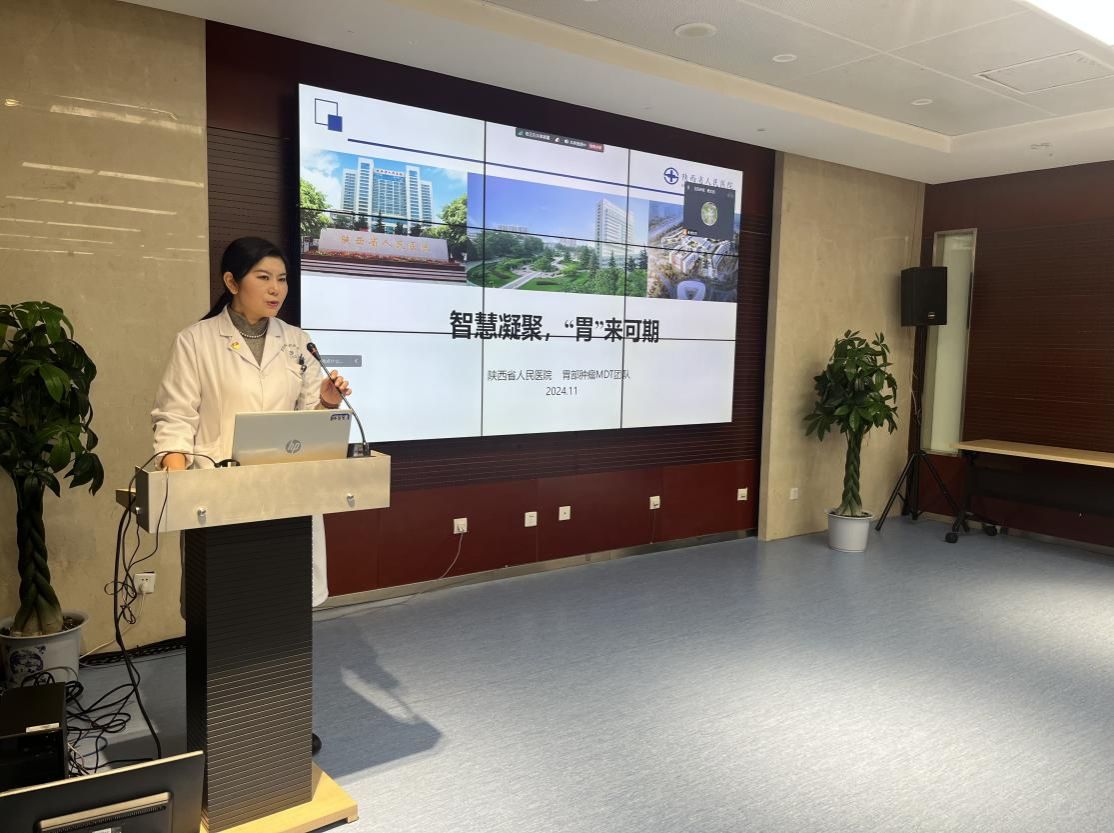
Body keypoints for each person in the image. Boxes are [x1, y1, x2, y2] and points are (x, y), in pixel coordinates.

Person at [151, 236, 350, 756]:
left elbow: (308, 426)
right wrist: (179, 483)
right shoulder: (196, 341)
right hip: (221, 497)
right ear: (231, 282)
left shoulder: (297, 342)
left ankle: (280, 725)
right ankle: (227, 733)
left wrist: (327, 402)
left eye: (282, 278)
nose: (276, 288)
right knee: (229, 616)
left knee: (280, 616)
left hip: (285, 499)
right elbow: (175, 419)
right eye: (263, 277)